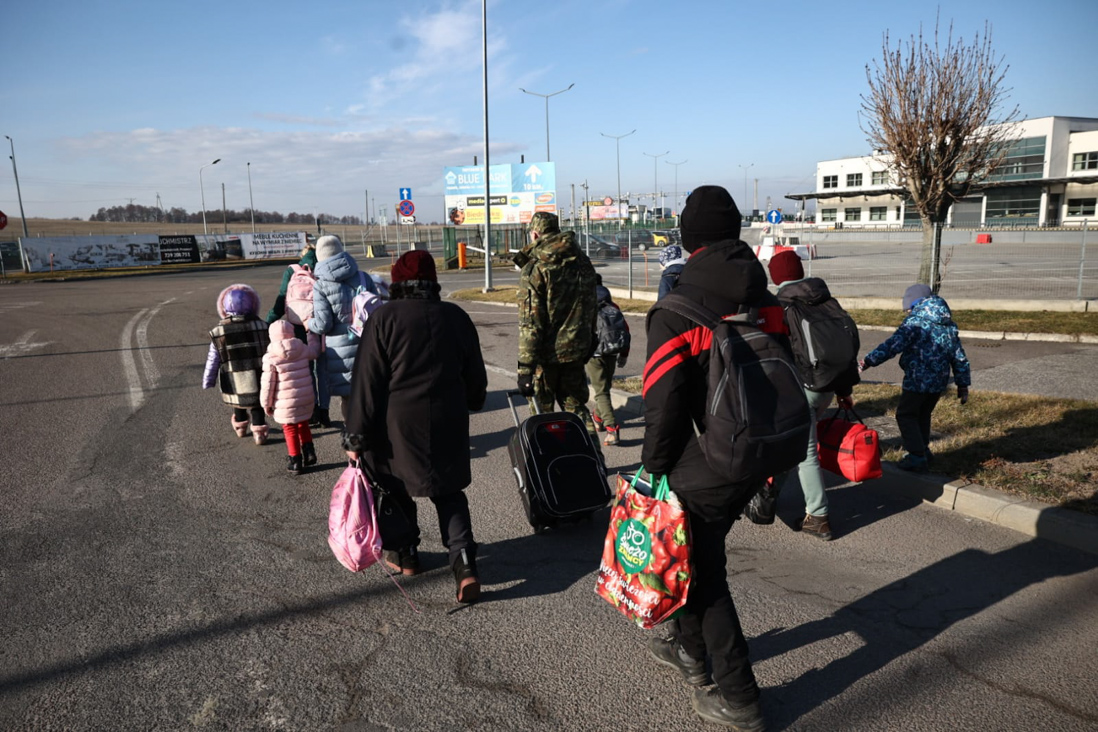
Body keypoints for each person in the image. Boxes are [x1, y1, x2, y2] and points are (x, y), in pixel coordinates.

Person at [642, 185, 782, 731]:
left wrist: (651, 472)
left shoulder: (676, 310)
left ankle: (739, 698)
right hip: (760, 453)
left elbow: (665, 406)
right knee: (695, 556)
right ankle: (689, 651)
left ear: (687, 238)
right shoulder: (767, 300)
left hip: (704, 461)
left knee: (702, 575)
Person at [342, 251, 488, 603]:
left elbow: (367, 382)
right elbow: (475, 374)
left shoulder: (383, 318)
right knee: (449, 492)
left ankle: (406, 555)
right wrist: (473, 399)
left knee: (393, 486)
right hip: (448, 418)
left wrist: (356, 436)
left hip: (395, 424)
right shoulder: (456, 316)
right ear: (433, 281)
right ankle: (464, 563)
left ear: (397, 281)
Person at [767, 250, 861, 541]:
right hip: (828, 388)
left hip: (801, 388)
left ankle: (818, 517)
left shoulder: (780, 306)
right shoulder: (826, 300)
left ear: (775, 277)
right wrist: (844, 391)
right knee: (794, 444)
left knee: (806, 453)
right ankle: (769, 493)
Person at [860, 284, 971, 473]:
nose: (907, 312)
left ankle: (916, 456)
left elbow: (892, 346)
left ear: (915, 303)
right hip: (939, 382)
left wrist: (867, 361)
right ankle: (924, 450)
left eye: (908, 308)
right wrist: (962, 384)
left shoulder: (914, 323)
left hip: (917, 379)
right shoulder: (948, 325)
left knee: (906, 415)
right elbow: (959, 356)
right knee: (923, 414)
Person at [514, 212, 599, 436]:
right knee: (578, 412)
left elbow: (530, 323)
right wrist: (590, 338)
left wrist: (525, 369)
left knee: (542, 419)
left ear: (535, 234)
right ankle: (593, 455)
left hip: (545, 358)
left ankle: (551, 457)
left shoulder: (536, 268)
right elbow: (591, 303)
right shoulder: (582, 262)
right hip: (576, 352)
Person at [309, 235, 377, 426]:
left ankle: (354, 435)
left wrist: (309, 323)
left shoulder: (321, 285)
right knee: (368, 393)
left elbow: (323, 325)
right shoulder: (363, 277)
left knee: (347, 398)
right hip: (367, 344)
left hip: (339, 352)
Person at [202, 284, 271, 445]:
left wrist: (209, 379)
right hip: (258, 374)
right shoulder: (263, 326)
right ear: (253, 305)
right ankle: (259, 431)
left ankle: (240, 427)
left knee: (238, 401)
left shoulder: (219, 331)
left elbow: (213, 358)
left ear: (224, 307)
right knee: (257, 403)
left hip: (233, 377)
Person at [266, 236, 323, 425]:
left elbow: (282, 298)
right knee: (322, 370)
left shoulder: (292, 270)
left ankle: (309, 410)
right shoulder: (322, 268)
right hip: (320, 323)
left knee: (304, 369)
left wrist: (268, 321)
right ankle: (323, 411)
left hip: (297, 327)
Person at [260, 320, 321, 474]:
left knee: (290, 428)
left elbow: (268, 385)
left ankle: (295, 460)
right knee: (303, 423)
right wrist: (311, 335)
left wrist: (266, 404)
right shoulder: (302, 348)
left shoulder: (270, 357)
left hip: (285, 402)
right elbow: (315, 352)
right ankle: (309, 452)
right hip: (305, 397)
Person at [585, 275, 630, 446]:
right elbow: (625, 329)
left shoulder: (586, 304)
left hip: (594, 354)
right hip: (612, 350)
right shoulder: (612, 305)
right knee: (604, 388)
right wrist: (624, 354)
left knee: (601, 391)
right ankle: (598, 418)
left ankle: (612, 429)